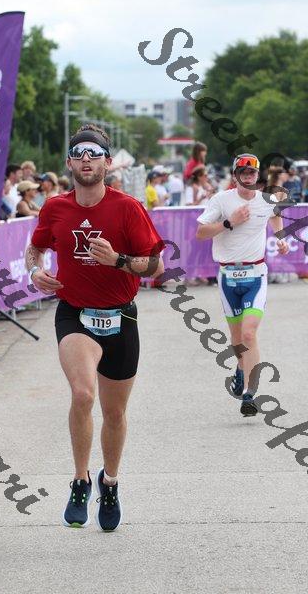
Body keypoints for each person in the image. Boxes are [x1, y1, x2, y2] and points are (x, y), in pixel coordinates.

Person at [25, 123, 164, 532]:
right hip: (74, 313)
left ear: (107, 162)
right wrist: (34, 271)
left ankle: (110, 482)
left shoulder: (128, 208)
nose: (86, 159)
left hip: (121, 316)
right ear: (69, 163)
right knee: (83, 394)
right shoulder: (55, 207)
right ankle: (80, 480)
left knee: (114, 413)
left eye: (94, 153)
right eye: (78, 153)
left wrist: (117, 260)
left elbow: (156, 266)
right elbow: (36, 246)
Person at [196, 153, 289, 417]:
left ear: (257, 175)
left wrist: (280, 237)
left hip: (255, 275)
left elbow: (274, 216)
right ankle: (240, 367)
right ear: (235, 175)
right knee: (237, 340)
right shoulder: (221, 200)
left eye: (252, 173)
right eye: (243, 172)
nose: (248, 177)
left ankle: (249, 393)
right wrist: (230, 222)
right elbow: (200, 233)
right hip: (228, 276)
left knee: (249, 334)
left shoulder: (266, 200)